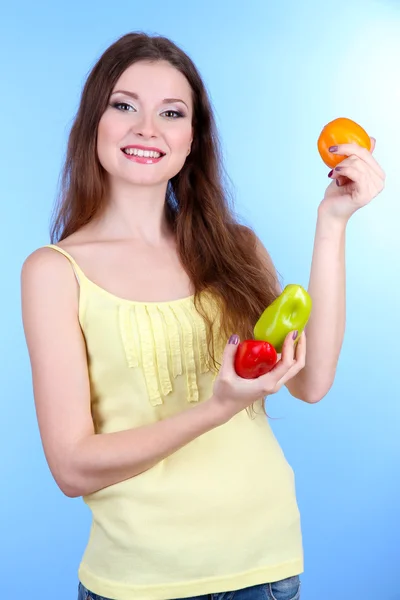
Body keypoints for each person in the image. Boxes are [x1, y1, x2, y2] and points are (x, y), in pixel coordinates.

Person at [21, 32, 385, 600]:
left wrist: (333, 222)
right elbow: (72, 467)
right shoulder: (55, 271)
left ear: (193, 139)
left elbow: (311, 382)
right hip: (138, 583)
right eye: (124, 106)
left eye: (171, 113)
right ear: (95, 122)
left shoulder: (236, 250)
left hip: (265, 571)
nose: (147, 128)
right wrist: (217, 409)